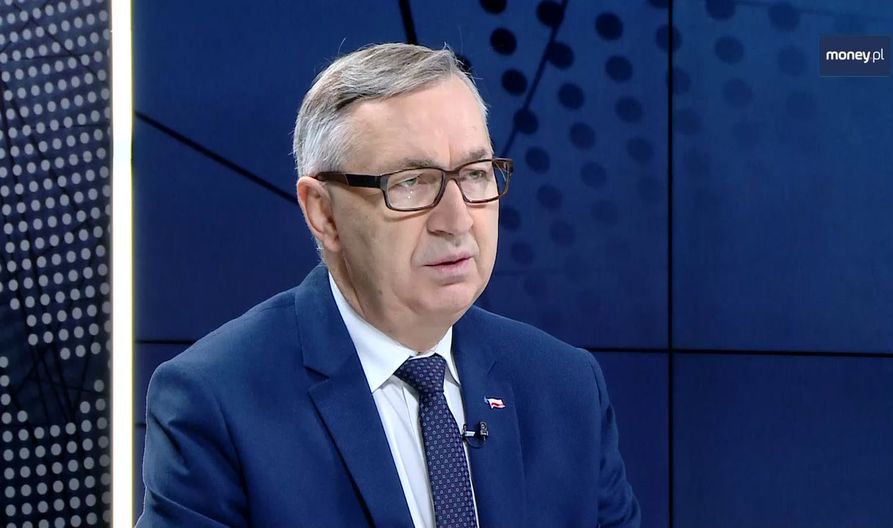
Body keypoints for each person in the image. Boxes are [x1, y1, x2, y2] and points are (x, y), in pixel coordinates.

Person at [137, 43, 640, 528]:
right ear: (324, 213)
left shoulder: (566, 387)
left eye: (475, 174)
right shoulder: (216, 402)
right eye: (411, 182)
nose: (457, 219)